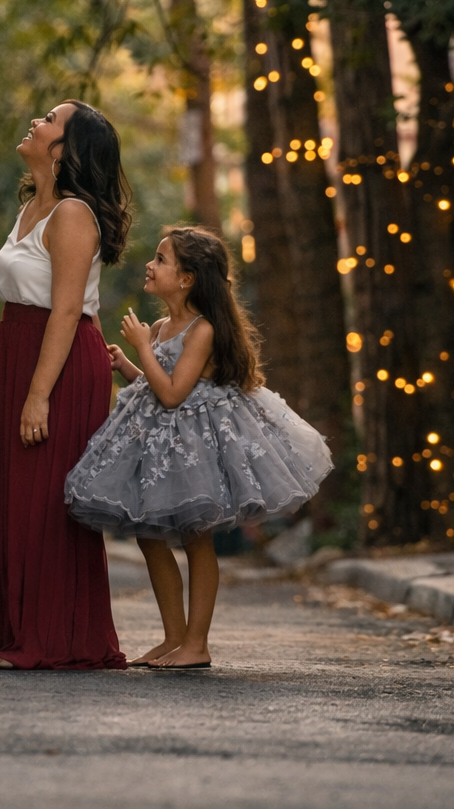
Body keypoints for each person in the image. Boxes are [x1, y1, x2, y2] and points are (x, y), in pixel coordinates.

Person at [64, 227, 333, 669]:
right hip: (161, 446)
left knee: (196, 540)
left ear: (187, 278)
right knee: (148, 536)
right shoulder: (160, 326)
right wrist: (129, 364)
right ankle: (173, 635)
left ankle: (197, 642)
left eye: (161, 259)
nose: (150, 265)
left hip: (196, 448)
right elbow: (152, 386)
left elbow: (173, 394)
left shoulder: (203, 330)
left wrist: (141, 348)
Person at [0, 99, 132, 671]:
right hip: (18, 352)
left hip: (60, 359)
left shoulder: (73, 213)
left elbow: (68, 309)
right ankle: (2, 628)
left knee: (46, 501)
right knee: (10, 493)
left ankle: (50, 637)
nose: (35, 121)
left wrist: (38, 393)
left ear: (64, 149)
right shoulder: (32, 207)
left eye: (49, 120)